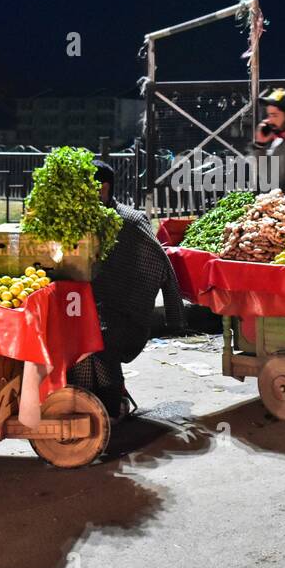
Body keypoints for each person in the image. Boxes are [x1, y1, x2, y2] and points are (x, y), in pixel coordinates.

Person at [68, 160, 186, 420]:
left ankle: (109, 404)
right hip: (87, 311)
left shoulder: (131, 222)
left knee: (97, 338)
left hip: (124, 317)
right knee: (70, 335)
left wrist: (174, 316)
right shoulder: (77, 223)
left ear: (103, 189)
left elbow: (161, 265)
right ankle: (83, 402)